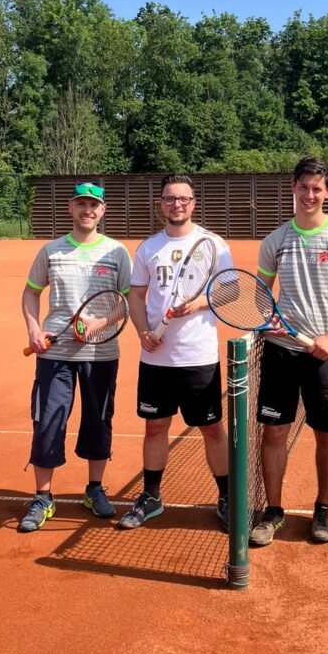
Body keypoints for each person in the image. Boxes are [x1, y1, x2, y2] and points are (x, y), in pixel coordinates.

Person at [249, 157, 328, 546]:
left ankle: (323, 508)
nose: (310, 195)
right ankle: (273, 511)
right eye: (304, 187)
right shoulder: (275, 240)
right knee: (274, 431)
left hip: (326, 355)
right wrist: (267, 317)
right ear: (293, 188)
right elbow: (261, 293)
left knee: (327, 433)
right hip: (281, 351)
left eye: (317, 188)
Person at [117, 174, 234, 531]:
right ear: (161, 204)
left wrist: (198, 304)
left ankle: (227, 497)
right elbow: (136, 297)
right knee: (155, 426)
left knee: (211, 428)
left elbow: (230, 291)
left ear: (193, 203)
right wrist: (142, 331)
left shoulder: (213, 244)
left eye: (183, 198)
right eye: (170, 198)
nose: (177, 204)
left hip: (198, 356)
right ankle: (151, 496)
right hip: (156, 358)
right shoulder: (148, 248)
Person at [19, 182, 132, 532]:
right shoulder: (51, 251)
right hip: (55, 353)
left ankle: (94, 489)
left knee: (99, 420)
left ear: (103, 210)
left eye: (94, 205)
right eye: (82, 204)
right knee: (48, 420)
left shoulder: (117, 252)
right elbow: (30, 293)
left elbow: (126, 303)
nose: (88, 210)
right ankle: (42, 497)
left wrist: (99, 324)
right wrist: (34, 330)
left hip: (102, 353)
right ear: (71, 208)